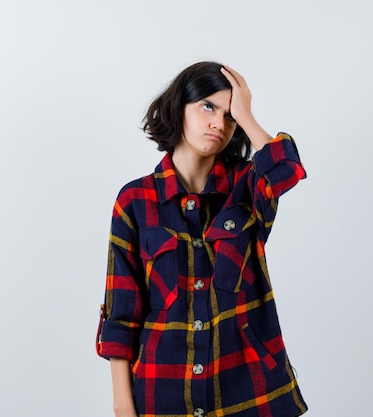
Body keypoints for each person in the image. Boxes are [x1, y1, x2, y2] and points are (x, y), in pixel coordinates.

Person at [96, 61, 308, 417]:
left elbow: (288, 169)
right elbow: (122, 313)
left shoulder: (248, 186)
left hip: (250, 394)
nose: (218, 123)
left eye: (229, 116)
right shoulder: (134, 201)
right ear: (179, 106)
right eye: (208, 106)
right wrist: (122, 406)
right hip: (162, 395)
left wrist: (247, 114)